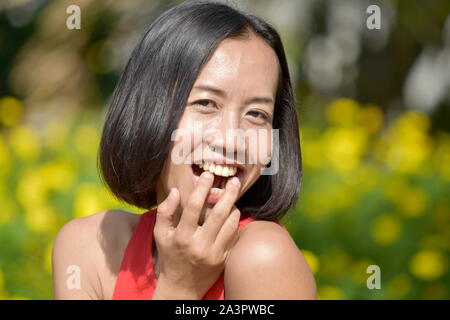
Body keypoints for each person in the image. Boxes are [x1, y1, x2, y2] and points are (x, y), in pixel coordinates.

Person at [52, 0, 316, 300]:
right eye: (205, 103)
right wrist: (180, 287)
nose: (232, 141)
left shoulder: (263, 257)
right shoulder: (89, 248)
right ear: (147, 109)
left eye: (257, 114)